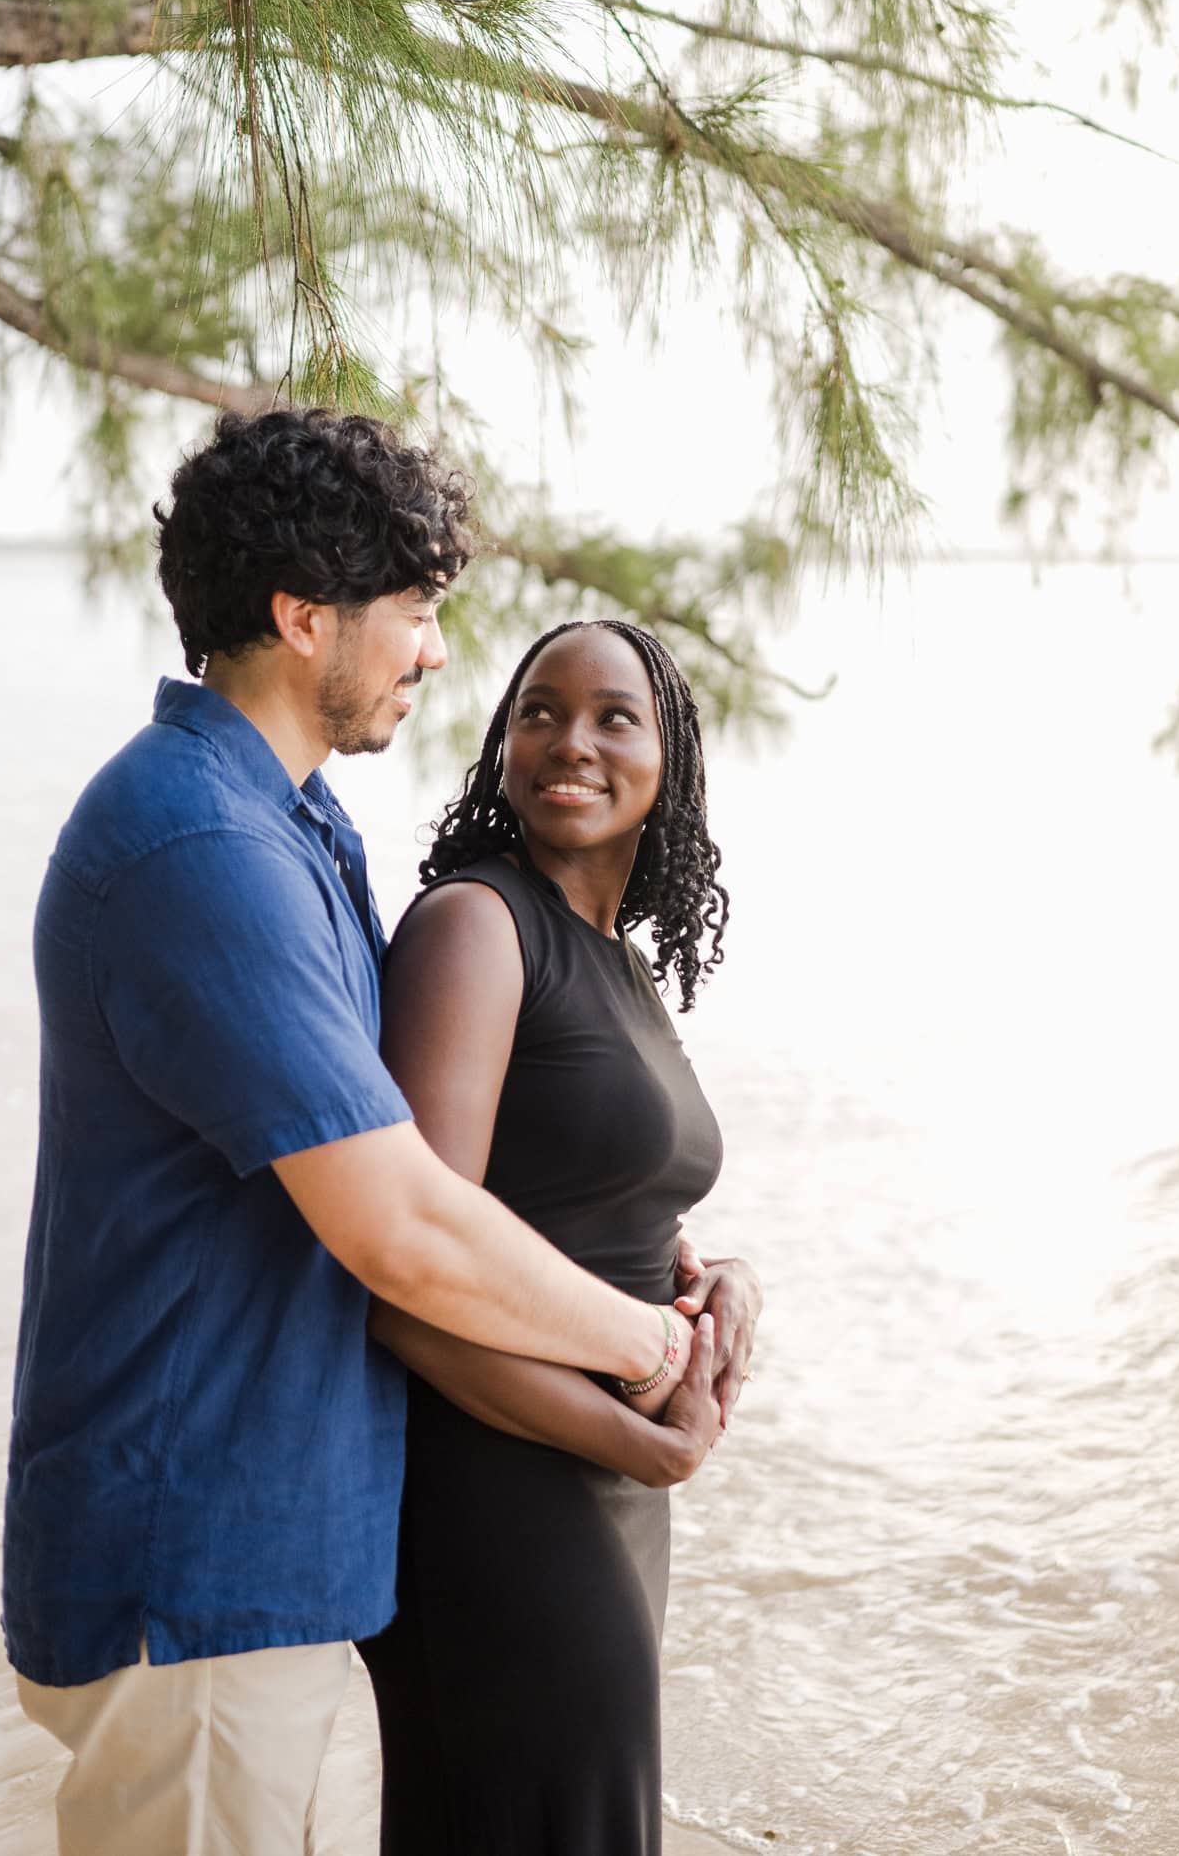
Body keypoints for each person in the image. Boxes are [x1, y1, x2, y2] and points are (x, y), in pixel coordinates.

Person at [2, 412, 717, 1856]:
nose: (437, 652)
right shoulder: (199, 841)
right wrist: (649, 1350)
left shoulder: (288, 828)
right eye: (416, 610)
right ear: (300, 613)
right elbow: (396, 1216)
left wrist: (694, 1286)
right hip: (190, 1555)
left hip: (259, 1554)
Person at [358, 617, 763, 1856]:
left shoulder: (615, 962)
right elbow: (405, 1288)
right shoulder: (476, 927)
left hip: (608, 1470)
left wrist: (721, 1275)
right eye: (538, 710)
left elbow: (596, 1204)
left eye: (612, 716)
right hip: (503, 1482)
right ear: (500, 742)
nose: (568, 742)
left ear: (670, 761)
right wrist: (637, 1446)